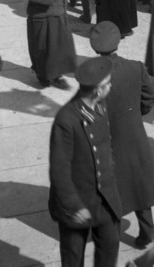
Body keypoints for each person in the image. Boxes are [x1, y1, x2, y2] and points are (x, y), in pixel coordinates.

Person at [89, 22, 154, 250]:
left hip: (105, 142)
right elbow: (149, 99)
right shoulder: (135, 68)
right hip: (133, 137)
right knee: (139, 186)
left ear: (95, 49)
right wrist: (134, 116)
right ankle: (147, 233)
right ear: (117, 44)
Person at [48, 57, 122, 267]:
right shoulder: (66, 120)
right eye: (108, 84)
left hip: (104, 199)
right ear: (98, 91)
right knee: (73, 257)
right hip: (77, 202)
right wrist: (73, 206)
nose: (110, 86)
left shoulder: (100, 106)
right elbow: (59, 170)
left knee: (110, 248)